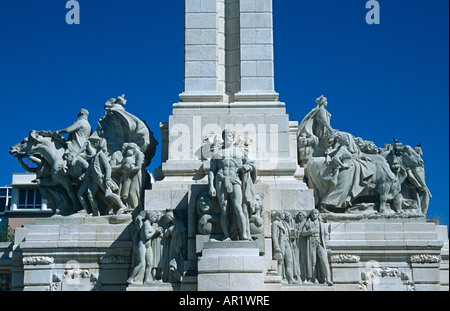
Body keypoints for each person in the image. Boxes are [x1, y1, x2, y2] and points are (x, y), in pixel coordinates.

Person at [209, 130, 257, 241]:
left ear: (233, 138)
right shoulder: (218, 153)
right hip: (221, 179)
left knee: (238, 207)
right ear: (223, 138)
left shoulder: (240, 152)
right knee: (224, 209)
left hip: (235, 180)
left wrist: (248, 167)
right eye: (225, 136)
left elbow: (250, 164)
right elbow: (212, 171)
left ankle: (244, 234)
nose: (228, 138)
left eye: (230, 136)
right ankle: (227, 236)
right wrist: (211, 186)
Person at [301, 209, 333, 286]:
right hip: (311, 242)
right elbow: (303, 233)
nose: (314, 215)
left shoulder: (321, 224)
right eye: (313, 213)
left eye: (315, 213)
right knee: (313, 261)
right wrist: (310, 231)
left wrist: (326, 243)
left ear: (318, 214)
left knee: (324, 261)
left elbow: (326, 234)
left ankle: (328, 278)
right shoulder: (308, 223)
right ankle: (314, 278)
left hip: (320, 243)